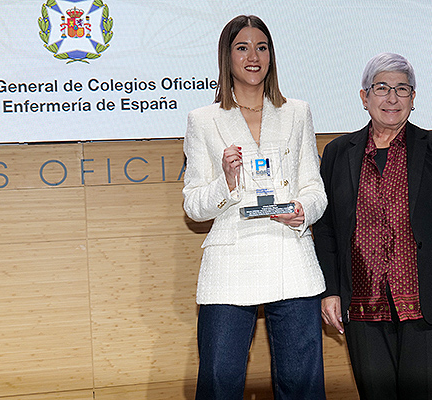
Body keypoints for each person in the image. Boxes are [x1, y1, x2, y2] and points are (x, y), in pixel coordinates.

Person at [314, 53, 432, 399]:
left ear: (413, 98)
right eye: (382, 88)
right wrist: (330, 290)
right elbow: (327, 229)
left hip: (429, 305)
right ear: (364, 97)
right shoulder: (336, 153)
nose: (392, 98)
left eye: (402, 89)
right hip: (362, 307)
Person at [182, 15, 328, 400]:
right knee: (218, 383)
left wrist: (301, 209)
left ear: (272, 56)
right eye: (242, 47)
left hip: (290, 256)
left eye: (261, 47)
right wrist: (225, 182)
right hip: (231, 262)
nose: (253, 56)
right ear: (226, 57)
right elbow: (193, 204)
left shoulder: (297, 112)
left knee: (303, 386)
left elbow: (315, 188)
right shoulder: (203, 120)